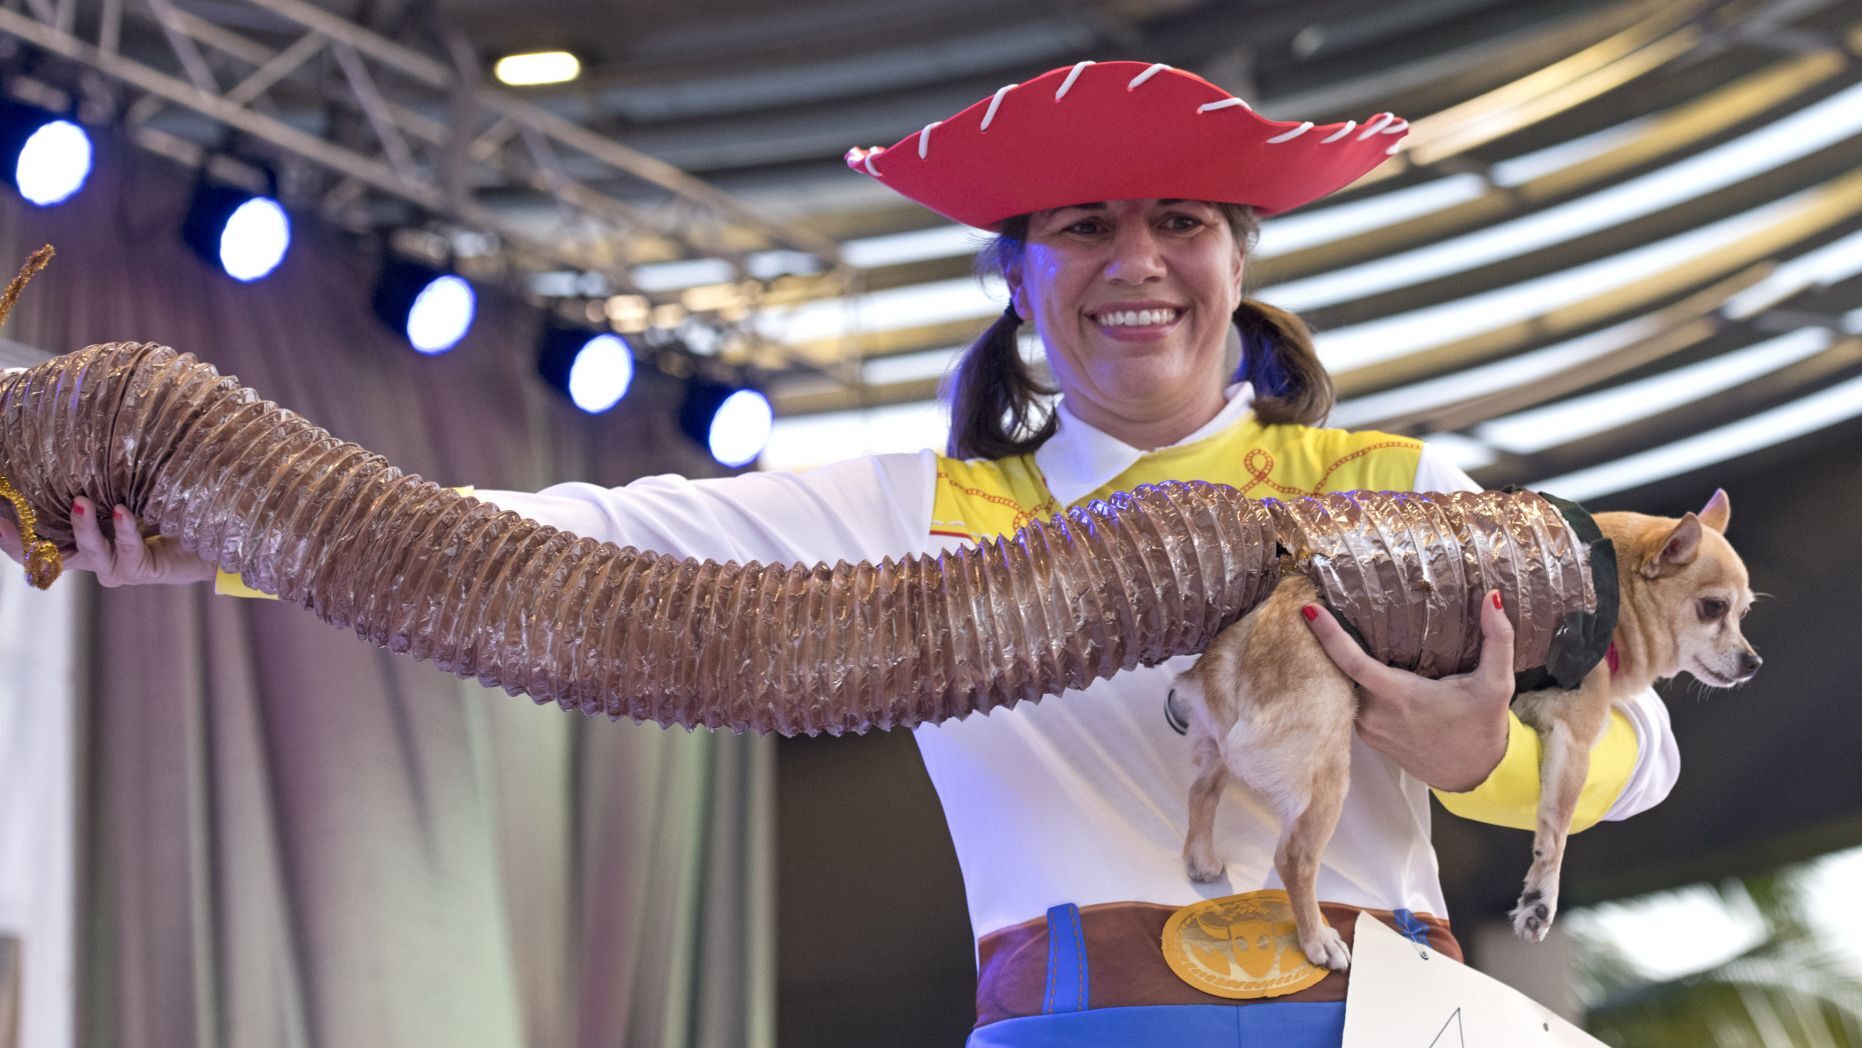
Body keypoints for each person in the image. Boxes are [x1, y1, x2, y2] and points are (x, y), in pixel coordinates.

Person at [2, 61, 1677, 1046]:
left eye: (1179, 221)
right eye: (1081, 226)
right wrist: (232, 533)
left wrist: (1480, 754)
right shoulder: (916, 514)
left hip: (1383, 1021)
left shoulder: (1391, 483)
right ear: (1016, 281)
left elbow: (1642, 733)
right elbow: (542, 549)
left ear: (1238, 259)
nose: (1135, 263)